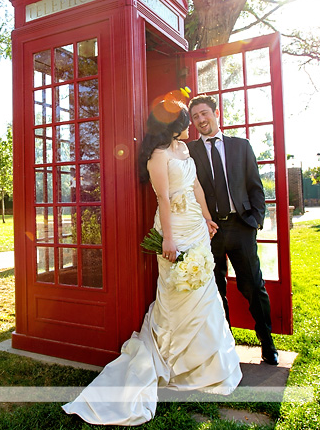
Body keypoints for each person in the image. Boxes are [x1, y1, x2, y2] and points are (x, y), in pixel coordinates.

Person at [62, 98, 241, 426]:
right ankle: (174, 360)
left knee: (204, 294)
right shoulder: (158, 156)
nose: (190, 126)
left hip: (197, 228)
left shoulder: (184, 149)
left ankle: (207, 365)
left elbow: (196, 185)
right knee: (176, 294)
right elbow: (163, 198)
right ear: (174, 125)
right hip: (175, 228)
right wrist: (169, 240)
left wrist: (207, 217)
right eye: (186, 121)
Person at [187, 94, 279, 366]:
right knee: (216, 289)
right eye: (195, 117)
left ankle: (267, 342)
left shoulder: (241, 146)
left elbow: (255, 187)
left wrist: (254, 221)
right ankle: (226, 344)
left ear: (216, 113)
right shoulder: (190, 151)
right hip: (209, 230)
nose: (201, 120)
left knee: (254, 287)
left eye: (204, 113)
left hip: (241, 226)